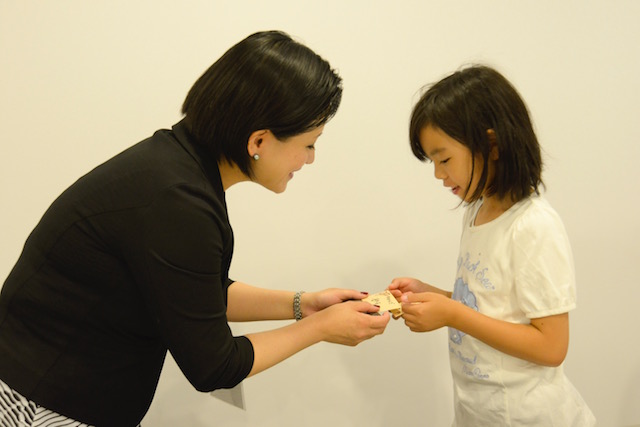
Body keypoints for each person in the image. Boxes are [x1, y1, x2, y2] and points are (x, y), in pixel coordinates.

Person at [0, 30, 390, 427]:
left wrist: (304, 305)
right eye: (309, 143)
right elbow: (215, 366)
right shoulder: (176, 201)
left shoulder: (177, 168)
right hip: (38, 406)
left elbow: (196, 294)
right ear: (259, 140)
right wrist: (320, 328)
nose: (310, 159)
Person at [388, 65, 595, 426]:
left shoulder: (533, 226)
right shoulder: (477, 212)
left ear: (492, 145)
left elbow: (552, 347)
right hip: (481, 412)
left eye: (444, 159)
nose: (438, 174)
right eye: (433, 162)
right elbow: (490, 305)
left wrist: (452, 314)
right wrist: (433, 296)